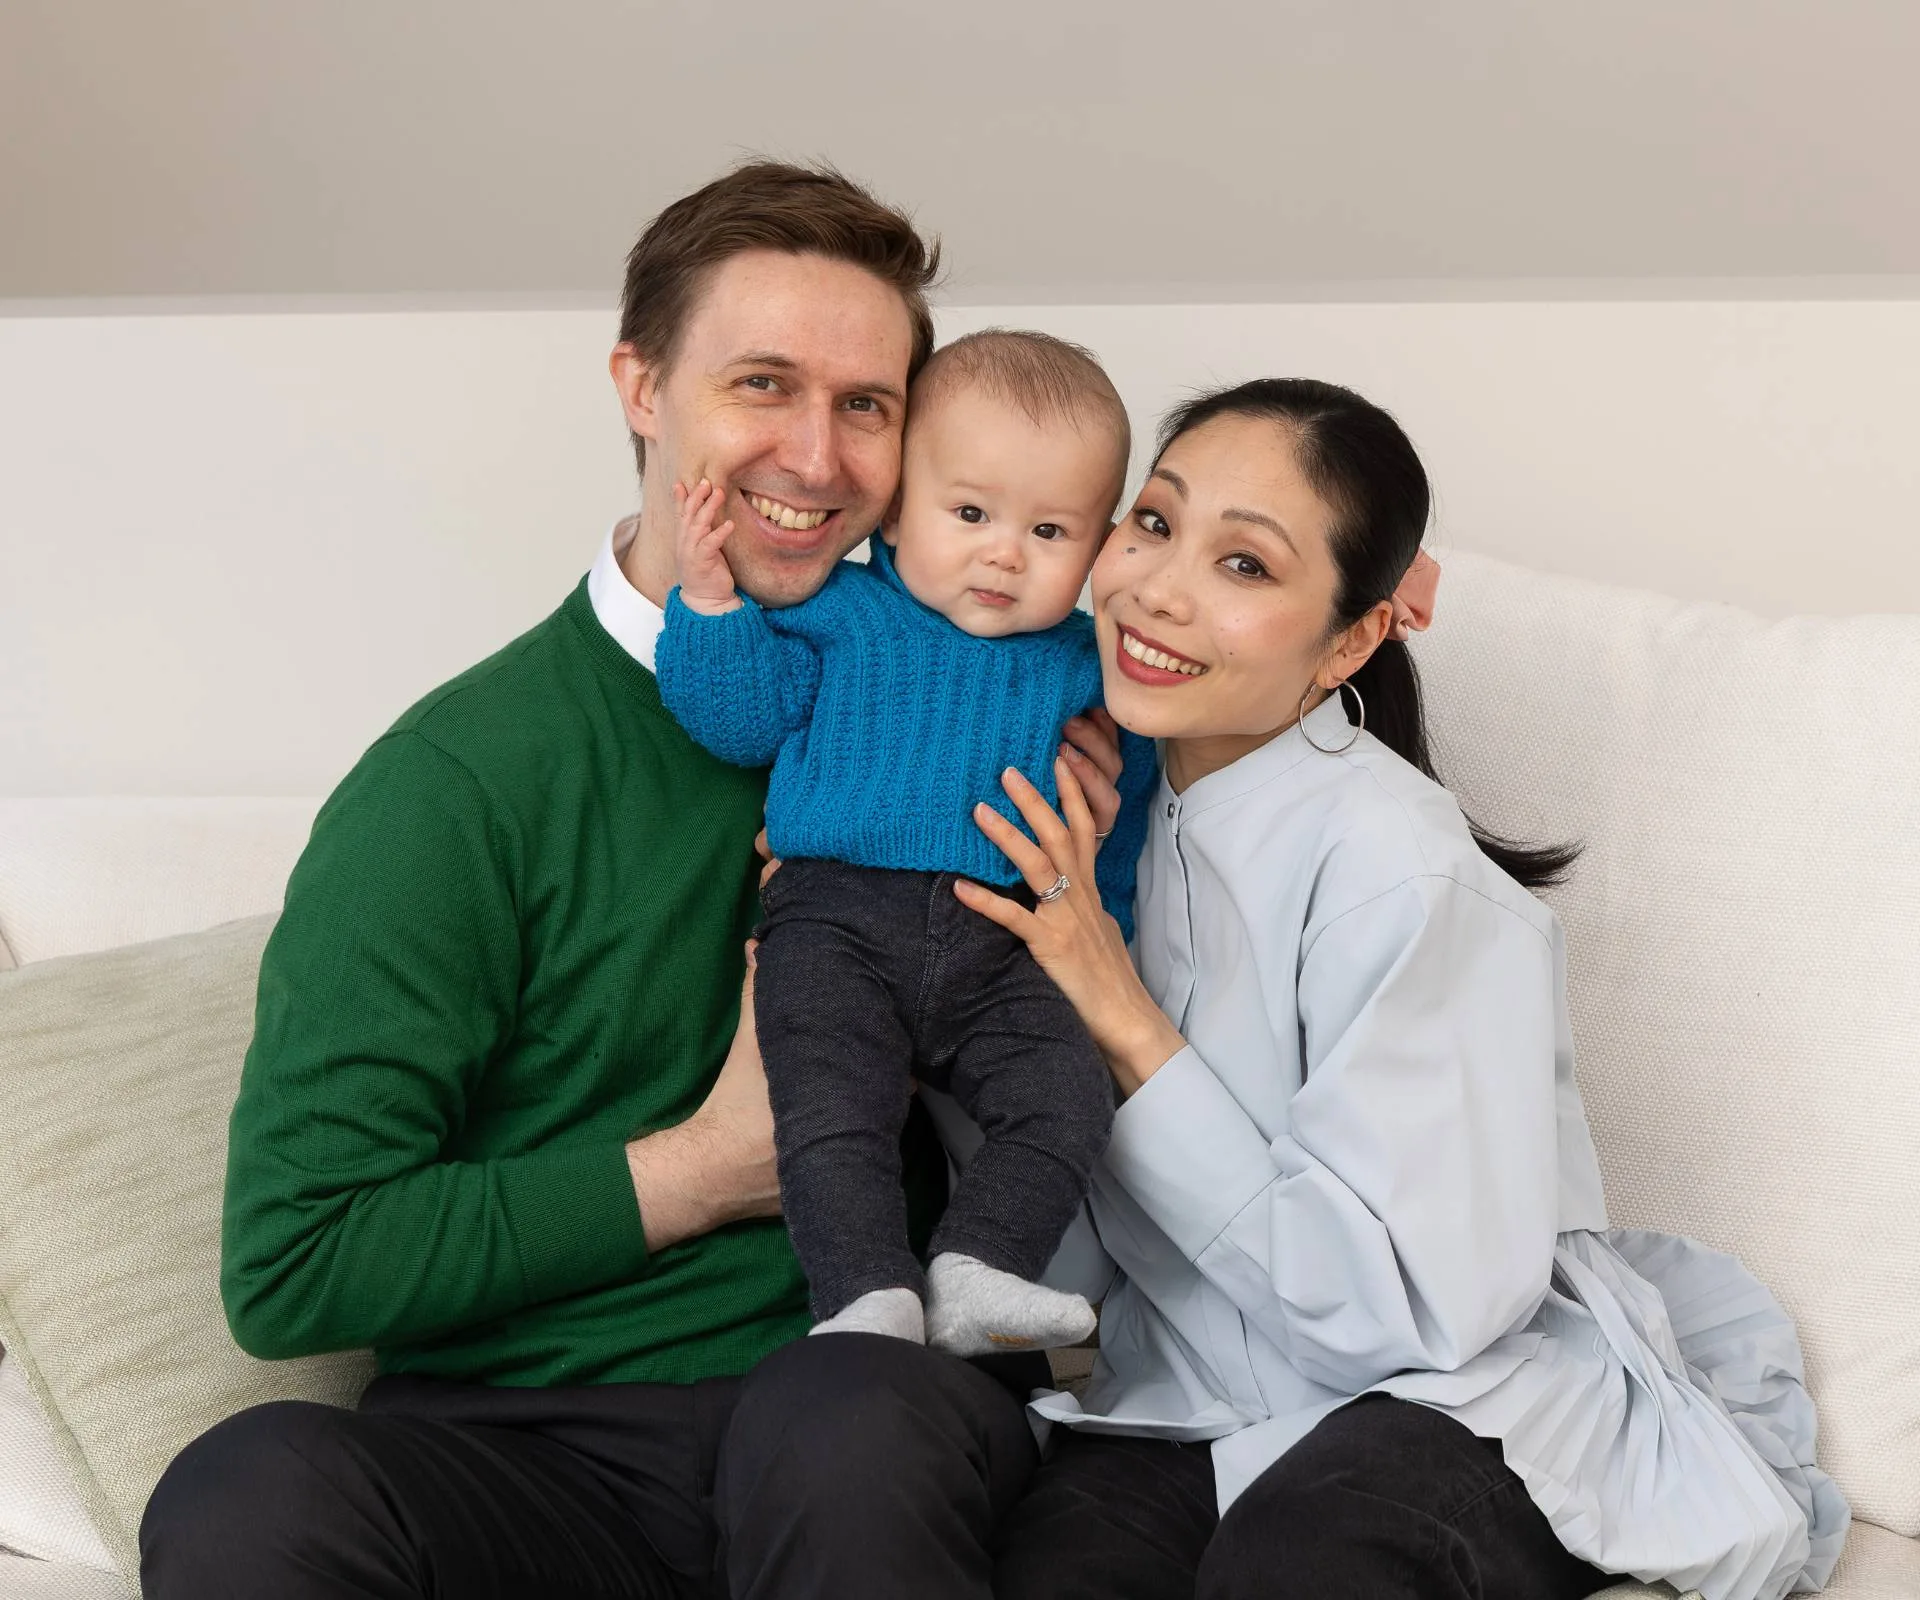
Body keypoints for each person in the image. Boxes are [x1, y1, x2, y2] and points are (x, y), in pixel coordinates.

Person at [137, 162, 1130, 1600]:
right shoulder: (461, 778)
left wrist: (1364, 604)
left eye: (867, 405)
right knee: (247, 1491)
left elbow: (1215, 602)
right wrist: (706, 1168)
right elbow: (296, 1261)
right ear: (642, 388)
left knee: (848, 1421)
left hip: (856, 1415)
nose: (816, 454)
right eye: (762, 384)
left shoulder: (1023, 709)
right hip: (523, 1452)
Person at [950, 379, 1850, 1600]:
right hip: (1187, 1403)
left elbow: (1404, 1315)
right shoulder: (1098, 812)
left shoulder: (1409, 874)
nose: (1158, 588)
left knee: (1304, 1558)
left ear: (1350, 641)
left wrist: (1125, 1021)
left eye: (1244, 564)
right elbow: (1063, 1226)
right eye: (1154, 523)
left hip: (1448, 1402)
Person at [656, 330, 1157, 1356]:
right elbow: (741, 718)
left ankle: (978, 1266)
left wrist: (1096, 919)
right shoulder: (839, 613)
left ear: (1100, 550)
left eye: (1050, 530)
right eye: (970, 514)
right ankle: (863, 1294)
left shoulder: (1088, 668)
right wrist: (708, 601)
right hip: (835, 922)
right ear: (895, 510)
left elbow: (1123, 826)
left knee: (1067, 1099)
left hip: (1005, 944)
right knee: (830, 1112)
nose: (1005, 553)